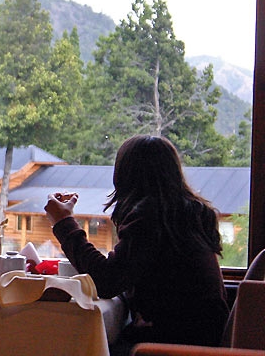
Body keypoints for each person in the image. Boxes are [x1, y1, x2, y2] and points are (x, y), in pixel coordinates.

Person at [44, 135, 229, 353]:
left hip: (174, 345)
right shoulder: (187, 214)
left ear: (124, 176)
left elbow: (106, 281)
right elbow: (131, 274)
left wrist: (64, 223)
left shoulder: (151, 217)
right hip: (203, 340)